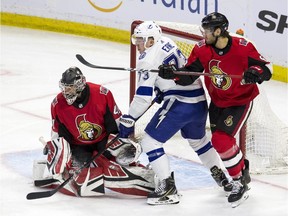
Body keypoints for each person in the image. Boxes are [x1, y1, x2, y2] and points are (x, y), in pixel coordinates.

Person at [158, 12, 272, 207]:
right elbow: (189, 75)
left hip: (240, 101)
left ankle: (238, 182)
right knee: (221, 143)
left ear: (219, 31)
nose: (204, 34)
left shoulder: (243, 47)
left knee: (221, 141)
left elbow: (267, 70)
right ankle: (242, 167)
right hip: (217, 102)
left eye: (208, 31)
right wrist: (172, 74)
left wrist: (255, 73)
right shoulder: (202, 49)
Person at [118, 21, 232, 205]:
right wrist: (163, 87)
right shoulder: (167, 41)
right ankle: (221, 176)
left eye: (141, 40)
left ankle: (168, 189)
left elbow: (143, 97)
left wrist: (129, 119)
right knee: (199, 141)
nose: (137, 44)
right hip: (199, 102)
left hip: (180, 103)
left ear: (151, 40)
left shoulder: (147, 59)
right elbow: (175, 73)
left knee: (150, 141)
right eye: (136, 40)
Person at [32, 66, 155, 197]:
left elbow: (114, 123)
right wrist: (55, 148)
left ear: (80, 86)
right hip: (78, 145)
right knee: (80, 171)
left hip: (103, 141)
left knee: (117, 158)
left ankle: (141, 173)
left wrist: (123, 142)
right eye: (64, 87)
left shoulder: (102, 94)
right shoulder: (57, 104)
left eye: (70, 87)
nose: (66, 91)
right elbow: (59, 133)